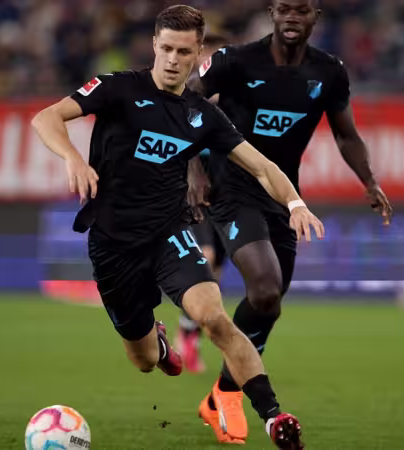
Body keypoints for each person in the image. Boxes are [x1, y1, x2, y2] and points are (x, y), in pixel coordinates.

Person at [31, 5, 325, 448]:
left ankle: (273, 417)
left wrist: (296, 203)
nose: (172, 59)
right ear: (154, 44)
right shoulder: (117, 88)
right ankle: (160, 342)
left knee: (216, 320)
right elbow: (46, 118)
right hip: (113, 247)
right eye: (166, 48)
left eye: (183, 51)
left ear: (198, 53)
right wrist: (73, 157)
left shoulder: (202, 115)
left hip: (169, 236)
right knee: (145, 359)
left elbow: (263, 167)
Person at [188, 0, 393, 444]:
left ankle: (222, 393)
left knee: (269, 303)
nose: (292, 18)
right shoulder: (234, 60)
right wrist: (194, 167)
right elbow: (185, 101)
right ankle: (244, 401)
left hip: (282, 195)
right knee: (264, 289)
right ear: (272, 13)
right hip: (230, 188)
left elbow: (346, 134)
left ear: (315, 15)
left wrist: (369, 181)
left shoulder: (329, 72)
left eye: (301, 10)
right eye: (284, 9)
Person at [175, 33, 231, 374]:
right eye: (208, 53)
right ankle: (187, 332)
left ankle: (189, 332)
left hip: (226, 191)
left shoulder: (234, 97)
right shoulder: (187, 94)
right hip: (192, 190)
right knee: (206, 256)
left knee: (216, 271)